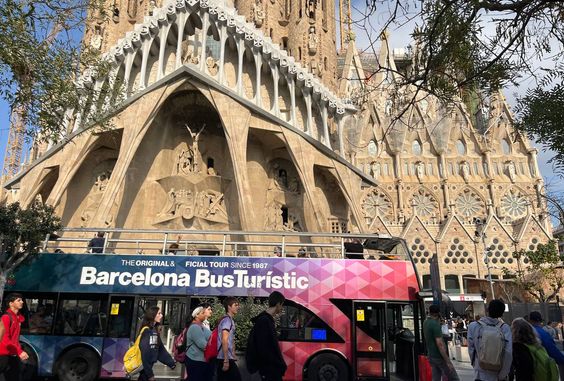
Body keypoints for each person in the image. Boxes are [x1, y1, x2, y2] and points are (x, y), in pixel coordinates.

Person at [467, 299, 512, 381]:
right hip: (498, 373)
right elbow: (508, 353)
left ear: (487, 309)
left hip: (480, 373)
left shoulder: (473, 326)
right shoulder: (505, 328)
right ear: (502, 313)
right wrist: (502, 375)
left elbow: (471, 350)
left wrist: (476, 365)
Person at [248, 291, 287, 381]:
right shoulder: (264, 321)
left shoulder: (266, 320)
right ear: (278, 304)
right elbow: (264, 348)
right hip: (268, 371)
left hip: (270, 370)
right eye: (282, 305)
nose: (281, 308)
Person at [138, 306, 176, 381]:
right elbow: (145, 354)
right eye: (159, 313)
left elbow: (160, 349)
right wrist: (150, 374)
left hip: (147, 370)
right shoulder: (147, 331)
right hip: (146, 369)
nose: (161, 316)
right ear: (152, 315)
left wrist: (171, 362)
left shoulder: (153, 330)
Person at [423, 305, 459, 381]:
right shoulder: (435, 325)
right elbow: (440, 344)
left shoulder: (425, 322)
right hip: (439, 356)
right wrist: (447, 360)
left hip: (431, 355)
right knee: (454, 378)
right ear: (438, 313)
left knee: (436, 377)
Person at [0, 293, 29, 379]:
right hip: (3, 354)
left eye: (22, 300)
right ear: (11, 303)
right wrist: (19, 351)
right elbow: (4, 339)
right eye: (18, 300)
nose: (22, 302)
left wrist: (17, 350)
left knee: (14, 376)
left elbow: (14, 338)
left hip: (12, 352)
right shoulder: (6, 317)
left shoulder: (17, 318)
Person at [529, 311, 564, 380]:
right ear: (540, 321)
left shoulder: (523, 332)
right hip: (539, 369)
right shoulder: (541, 333)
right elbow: (552, 350)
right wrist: (561, 359)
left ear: (530, 320)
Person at [216, 297, 241, 381]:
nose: (238, 307)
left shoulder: (230, 320)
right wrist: (226, 360)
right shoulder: (227, 320)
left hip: (226, 357)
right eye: (235, 305)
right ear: (229, 307)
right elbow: (224, 339)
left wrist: (233, 354)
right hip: (224, 358)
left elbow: (231, 339)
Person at [185, 306, 212, 381]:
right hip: (196, 361)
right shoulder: (194, 327)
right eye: (202, 313)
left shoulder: (202, 326)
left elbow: (212, 336)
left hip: (201, 361)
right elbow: (203, 345)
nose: (205, 314)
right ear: (196, 315)